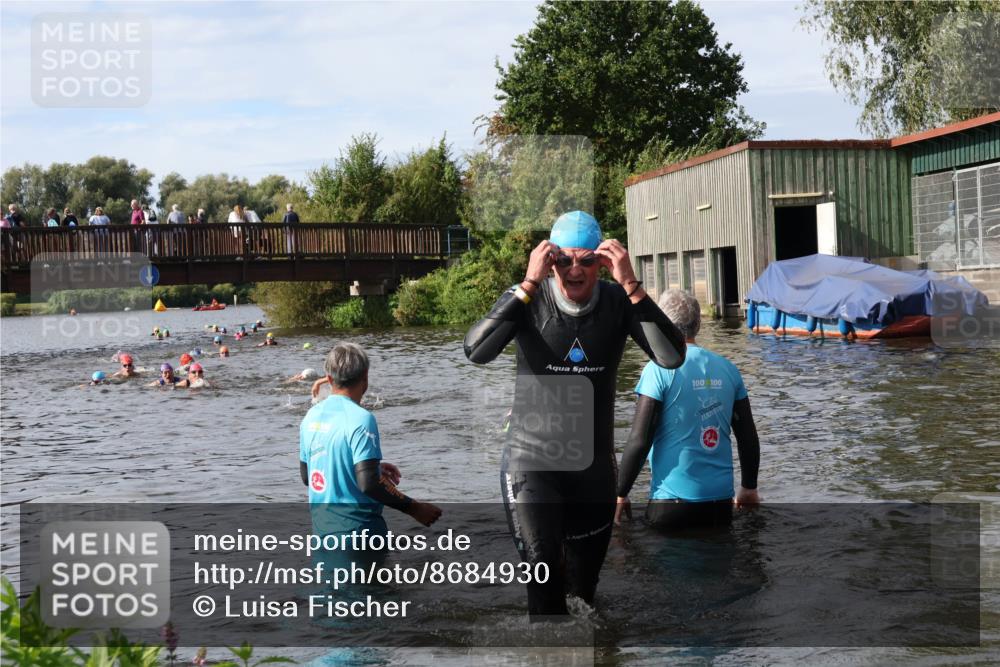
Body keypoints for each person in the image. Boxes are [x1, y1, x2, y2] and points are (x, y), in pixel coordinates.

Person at [463, 210, 686, 619]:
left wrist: (631, 283)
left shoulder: (619, 301)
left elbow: (671, 357)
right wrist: (529, 283)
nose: (574, 270)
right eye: (563, 260)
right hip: (532, 464)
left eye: (586, 260)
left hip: (592, 467)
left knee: (583, 597)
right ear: (550, 262)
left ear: (602, 262)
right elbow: (476, 351)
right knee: (545, 588)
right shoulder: (527, 299)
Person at [615, 290, 761, 532]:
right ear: (699, 324)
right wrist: (748, 487)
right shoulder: (729, 369)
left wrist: (620, 493)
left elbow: (640, 440)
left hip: (672, 505)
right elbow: (747, 436)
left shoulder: (657, 370)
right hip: (721, 505)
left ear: (661, 323)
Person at [299, 342, 441, 555]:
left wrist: (365, 466)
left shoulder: (310, 416)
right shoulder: (362, 419)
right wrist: (415, 508)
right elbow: (369, 484)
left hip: (322, 537)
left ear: (329, 379)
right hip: (360, 536)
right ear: (365, 377)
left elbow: (308, 476)